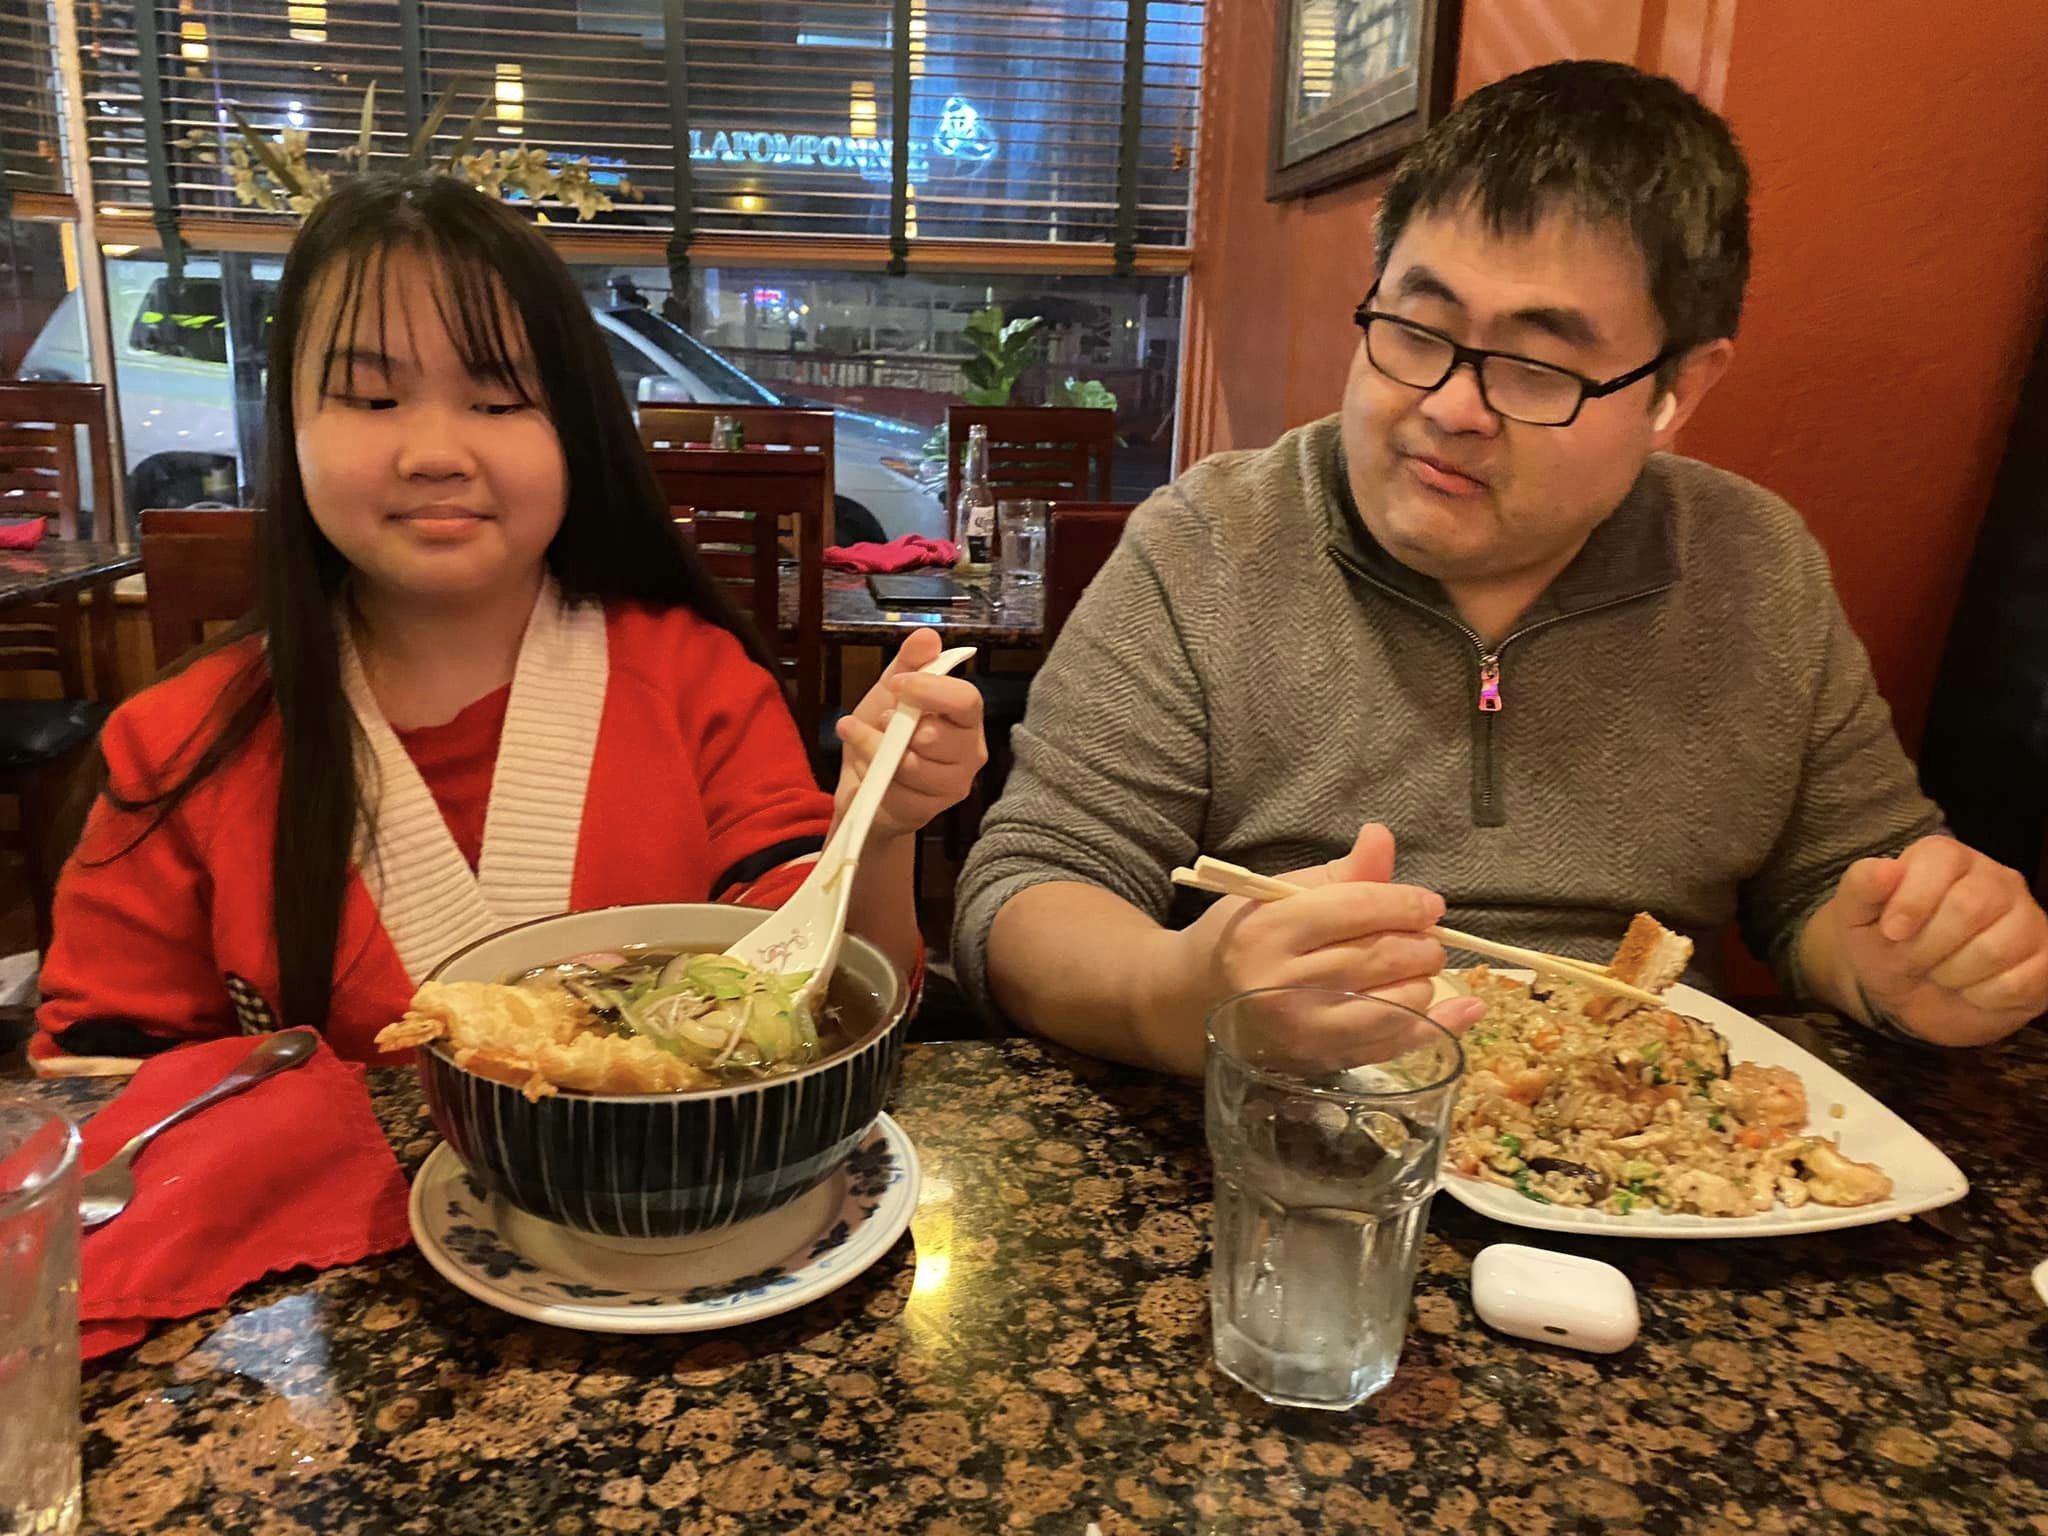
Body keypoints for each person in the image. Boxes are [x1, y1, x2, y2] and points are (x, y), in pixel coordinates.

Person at [954, 60, 2048, 1073]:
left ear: (1679, 390)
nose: (1450, 407)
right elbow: (1028, 892)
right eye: (1416, 329)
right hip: (1287, 1141)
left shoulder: (1752, 564)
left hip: (1649, 1145)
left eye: (1535, 366)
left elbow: (1836, 885)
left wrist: (1909, 957)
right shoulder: (1210, 543)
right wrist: (1182, 995)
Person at [34, 172, 984, 1068]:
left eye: (497, 400)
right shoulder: (179, 744)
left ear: (578, 430)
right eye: (371, 397)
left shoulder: (695, 681)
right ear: (290, 424)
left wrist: (879, 829)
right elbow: (100, 1075)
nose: (435, 453)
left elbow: (813, 984)